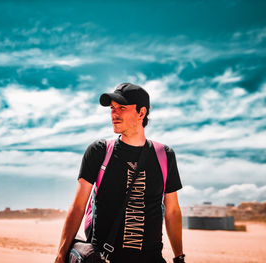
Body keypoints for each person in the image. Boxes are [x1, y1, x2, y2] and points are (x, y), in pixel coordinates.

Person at [55, 83, 185, 263]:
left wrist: (179, 257)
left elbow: (172, 211)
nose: (114, 114)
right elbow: (78, 206)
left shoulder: (164, 155)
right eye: (112, 108)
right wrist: (61, 255)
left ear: (141, 113)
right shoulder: (100, 152)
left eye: (122, 108)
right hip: (105, 258)